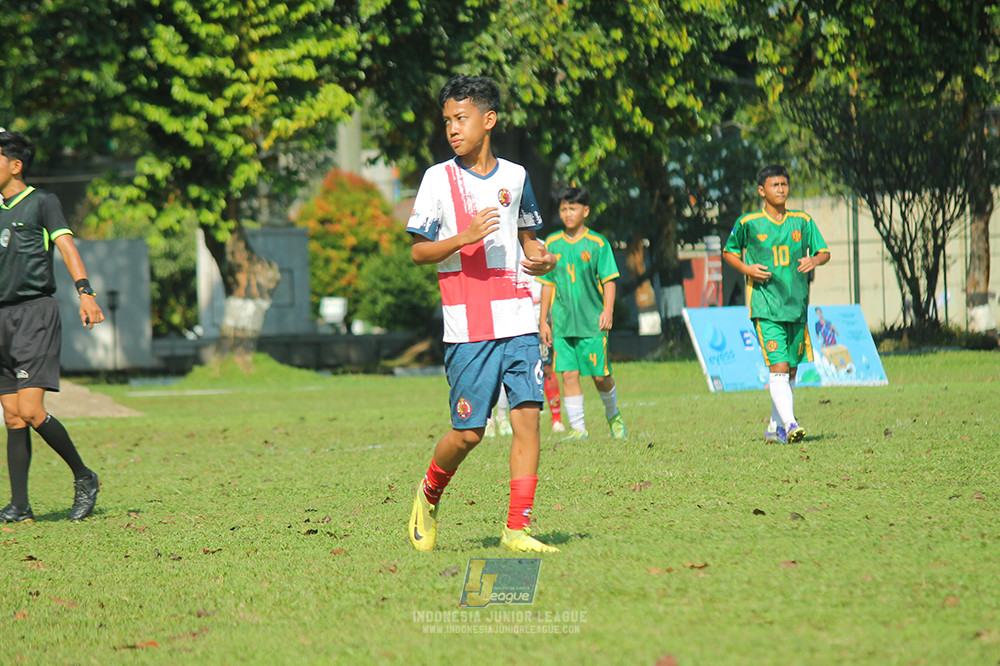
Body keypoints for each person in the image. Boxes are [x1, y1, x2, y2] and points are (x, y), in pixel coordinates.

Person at [406, 75, 559, 554]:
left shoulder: (516, 177)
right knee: (468, 432)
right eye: (448, 120)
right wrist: (462, 238)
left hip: (519, 316)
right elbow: (419, 252)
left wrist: (541, 258)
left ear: (488, 120)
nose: (453, 128)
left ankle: (517, 528)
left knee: (528, 418)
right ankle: (428, 495)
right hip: (468, 326)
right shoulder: (437, 179)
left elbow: (529, 238)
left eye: (461, 118)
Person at [0, 131, 104, 522]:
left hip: (34, 313)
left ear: (15, 165)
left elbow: (67, 248)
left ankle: (84, 476)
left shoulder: (43, 202)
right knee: (11, 415)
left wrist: (85, 292)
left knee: (30, 409)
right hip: (1, 318)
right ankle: (20, 505)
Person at [722, 164, 830, 444]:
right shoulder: (748, 223)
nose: (781, 190)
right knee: (779, 367)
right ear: (762, 190)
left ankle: (774, 426)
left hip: (796, 307)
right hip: (765, 307)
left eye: (784, 184)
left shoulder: (802, 221)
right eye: (774, 185)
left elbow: (824, 251)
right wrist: (747, 269)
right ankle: (791, 423)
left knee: (791, 370)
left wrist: (813, 260)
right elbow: (729, 252)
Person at [538, 186, 626, 440]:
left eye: (573, 208)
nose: (567, 213)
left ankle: (613, 416)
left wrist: (608, 310)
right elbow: (547, 284)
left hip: (592, 323)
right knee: (568, 374)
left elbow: (609, 280)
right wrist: (544, 320)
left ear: (585, 211)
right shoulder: (552, 243)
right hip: (563, 323)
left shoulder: (597, 243)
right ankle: (578, 429)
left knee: (600, 376)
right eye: (563, 209)